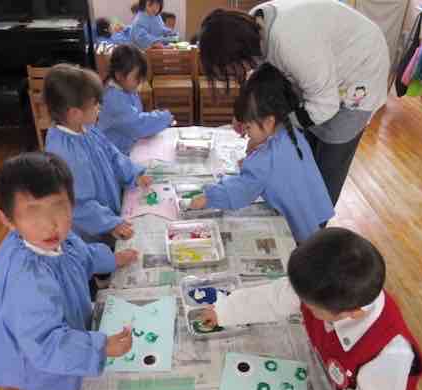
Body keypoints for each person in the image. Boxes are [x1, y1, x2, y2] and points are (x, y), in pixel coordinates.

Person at [199, 227, 422, 390]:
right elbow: (274, 298)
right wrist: (225, 310)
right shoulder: (322, 287)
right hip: (342, 383)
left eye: (311, 307)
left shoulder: (391, 352)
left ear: (352, 313)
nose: (302, 305)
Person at [0, 152, 139, 390]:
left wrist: (112, 259)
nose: (50, 224)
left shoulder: (61, 240)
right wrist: (101, 347)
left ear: (72, 205)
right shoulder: (26, 279)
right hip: (52, 382)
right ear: (7, 220)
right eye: (33, 212)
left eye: (59, 208)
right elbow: (46, 344)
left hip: (72, 347)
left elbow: (83, 257)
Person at [198, 0, 390, 206]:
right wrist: (243, 113)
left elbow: (325, 105)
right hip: (320, 71)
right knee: (303, 155)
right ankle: (300, 208)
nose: (232, 74)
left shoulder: (290, 43)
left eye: (230, 68)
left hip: (359, 71)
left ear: (239, 52)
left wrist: (270, 131)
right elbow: (259, 75)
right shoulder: (253, 28)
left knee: (327, 168)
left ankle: (316, 222)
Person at [188, 63, 333, 242]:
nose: (246, 133)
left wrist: (208, 198)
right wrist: (255, 154)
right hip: (316, 211)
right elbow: (280, 169)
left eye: (248, 127)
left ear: (269, 122)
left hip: (297, 226)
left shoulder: (264, 160)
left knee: (301, 249)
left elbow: (241, 191)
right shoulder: (291, 132)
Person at [43, 63, 152, 243]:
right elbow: (79, 204)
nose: (99, 108)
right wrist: (110, 224)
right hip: (91, 231)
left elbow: (113, 155)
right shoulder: (65, 153)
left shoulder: (87, 128)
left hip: (107, 213)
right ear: (74, 113)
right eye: (95, 105)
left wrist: (134, 174)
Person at [98, 44, 173, 155]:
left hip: (127, 146)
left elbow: (136, 116)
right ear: (119, 75)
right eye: (136, 77)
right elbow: (137, 125)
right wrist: (164, 117)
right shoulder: (113, 98)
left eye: (141, 77)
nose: (140, 82)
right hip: (116, 154)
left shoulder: (126, 89)